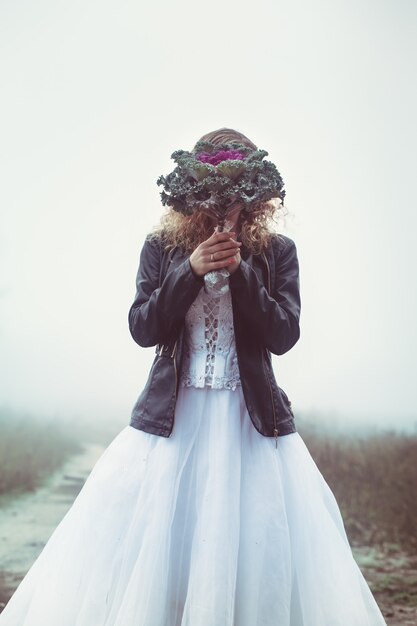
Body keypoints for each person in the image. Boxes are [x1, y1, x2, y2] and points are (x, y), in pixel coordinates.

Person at [0, 128, 387, 625]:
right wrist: (190, 268)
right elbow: (143, 328)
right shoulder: (161, 247)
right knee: (162, 555)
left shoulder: (277, 251)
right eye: (211, 197)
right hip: (170, 424)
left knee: (249, 555)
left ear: (254, 200)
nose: (223, 208)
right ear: (191, 195)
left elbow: (284, 334)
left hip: (251, 428)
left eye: (235, 199)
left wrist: (241, 270)